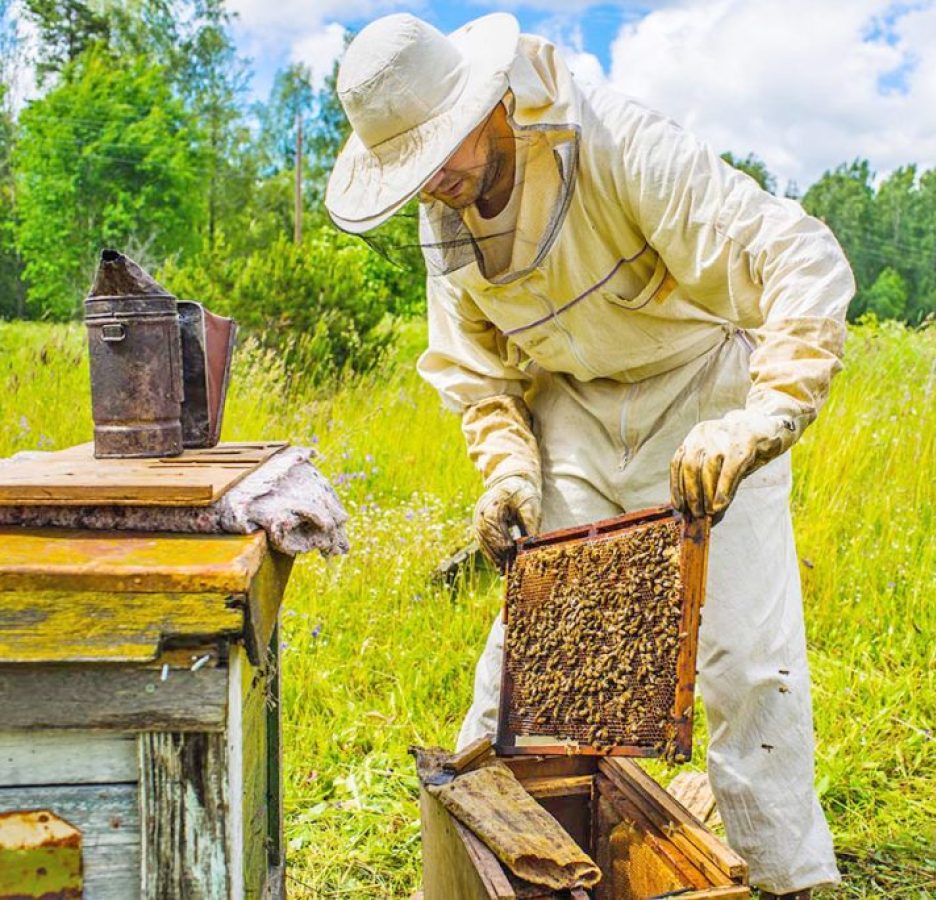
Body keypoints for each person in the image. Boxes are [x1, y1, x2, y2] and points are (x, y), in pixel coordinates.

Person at [325, 12, 854, 897]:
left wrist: (763, 417)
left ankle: (782, 874)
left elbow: (797, 253)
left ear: (491, 103)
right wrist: (510, 473)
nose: (437, 181)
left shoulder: (617, 141)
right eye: (415, 170)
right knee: (529, 654)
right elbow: (481, 379)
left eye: (442, 150)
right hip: (570, 402)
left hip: (702, 387)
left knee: (745, 658)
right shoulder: (443, 216)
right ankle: (475, 866)